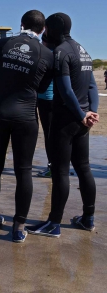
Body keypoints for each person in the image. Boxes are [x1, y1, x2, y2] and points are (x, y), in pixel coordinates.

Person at [26, 13, 99, 238]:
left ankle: (54, 223)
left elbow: (66, 90)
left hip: (66, 120)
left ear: (49, 29)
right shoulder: (82, 50)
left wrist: (79, 114)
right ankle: (88, 218)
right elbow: (93, 87)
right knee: (84, 168)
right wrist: (91, 113)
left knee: (60, 172)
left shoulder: (60, 52)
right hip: (83, 119)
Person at [0, 10, 54, 243]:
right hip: (25, 117)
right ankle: (18, 226)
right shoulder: (46, 52)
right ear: (43, 29)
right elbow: (43, 88)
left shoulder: (2, 43)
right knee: (23, 170)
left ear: (21, 24)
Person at [36, 33, 57, 178]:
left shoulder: (45, 56)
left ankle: (52, 167)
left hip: (45, 99)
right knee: (57, 135)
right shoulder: (59, 54)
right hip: (58, 100)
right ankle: (59, 166)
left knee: (49, 135)